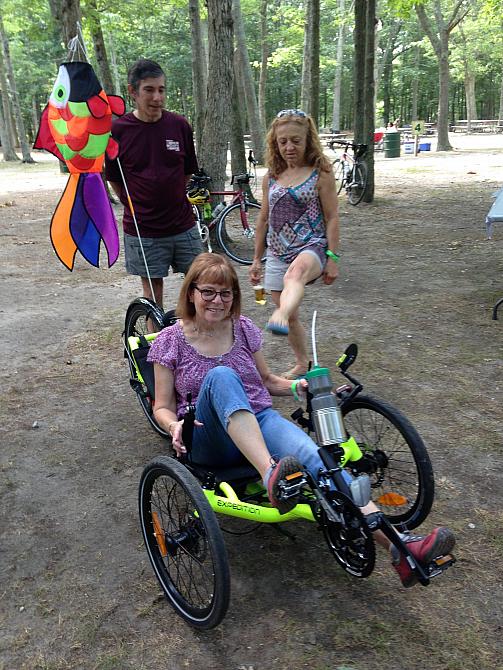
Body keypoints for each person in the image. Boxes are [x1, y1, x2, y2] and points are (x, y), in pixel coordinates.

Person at [148, 252, 455, 588]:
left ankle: (403, 548)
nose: (217, 301)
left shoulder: (243, 329)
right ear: (191, 292)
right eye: (208, 292)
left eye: (226, 293)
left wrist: (297, 386)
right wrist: (173, 425)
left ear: (235, 297)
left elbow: (265, 381)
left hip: (258, 421)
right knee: (222, 376)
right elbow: (161, 406)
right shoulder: (171, 340)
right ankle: (271, 476)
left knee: (320, 460)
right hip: (209, 437)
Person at [249, 109, 340, 380]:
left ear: (307, 140)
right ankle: (303, 363)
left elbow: (332, 216)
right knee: (291, 317)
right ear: (275, 143)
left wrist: (333, 257)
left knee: (294, 276)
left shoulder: (320, 173)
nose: (289, 147)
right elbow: (264, 219)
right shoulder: (271, 177)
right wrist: (257, 259)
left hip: (311, 245)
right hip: (278, 250)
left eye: (296, 141)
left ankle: (280, 314)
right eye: (283, 141)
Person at [105, 59, 203, 308]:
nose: (157, 97)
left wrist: (170, 195)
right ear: (133, 91)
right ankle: (157, 344)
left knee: (200, 285)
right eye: (149, 90)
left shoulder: (179, 125)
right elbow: (116, 179)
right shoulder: (118, 131)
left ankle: (192, 341)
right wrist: (139, 204)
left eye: (161, 89)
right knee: (152, 298)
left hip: (182, 224)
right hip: (143, 229)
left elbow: (187, 172)